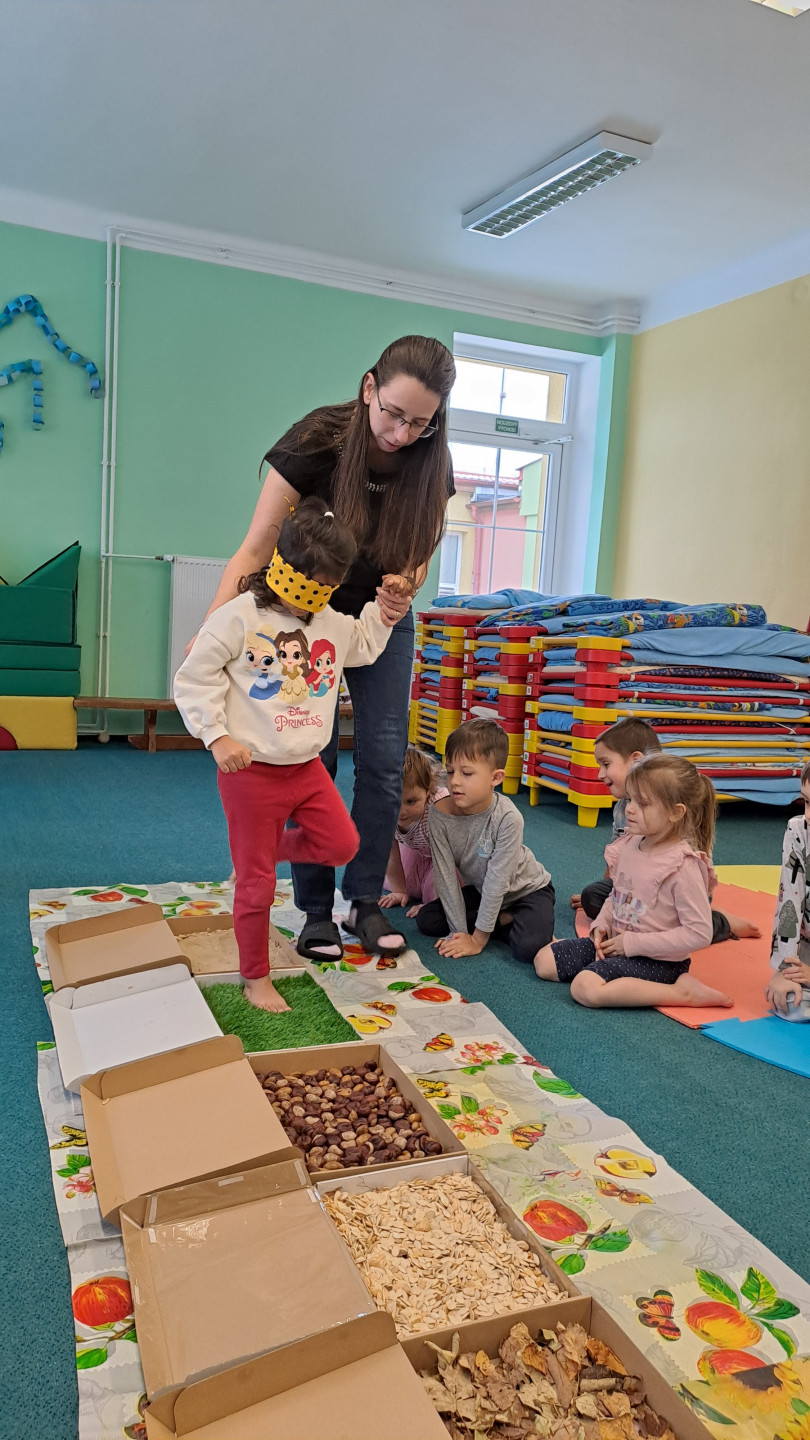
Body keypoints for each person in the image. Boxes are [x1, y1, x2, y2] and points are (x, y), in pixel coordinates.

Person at [189, 335, 456, 961]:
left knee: (385, 759)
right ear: (368, 388)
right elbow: (257, 546)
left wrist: (403, 587)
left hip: (379, 617)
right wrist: (213, 631)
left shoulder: (431, 461)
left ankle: (364, 901)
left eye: (419, 423)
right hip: (304, 609)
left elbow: (418, 553)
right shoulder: (315, 442)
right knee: (311, 753)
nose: (401, 433)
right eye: (393, 413)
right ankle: (315, 911)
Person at [174, 499, 394, 1012]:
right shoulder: (238, 616)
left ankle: (261, 852)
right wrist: (216, 737)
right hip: (249, 774)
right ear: (283, 569)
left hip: (307, 769)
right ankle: (255, 978)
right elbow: (193, 678)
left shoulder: (330, 622)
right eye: (307, 587)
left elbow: (364, 644)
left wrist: (385, 612)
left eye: (326, 589)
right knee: (256, 888)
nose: (311, 602)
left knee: (341, 844)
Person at [536, 754, 734, 1010]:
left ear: (675, 812)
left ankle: (681, 992)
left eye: (643, 803)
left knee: (584, 988)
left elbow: (699, 934)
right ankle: (606, 968)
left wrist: (631, 944)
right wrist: (601, 924)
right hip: (617, 944)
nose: (629, 808)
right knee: (544, 962)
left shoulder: (683, 865)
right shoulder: (631, 843)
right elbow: (617, 894)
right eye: (630, 799)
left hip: (659, 962)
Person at [572, 717, 759, 943]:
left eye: (606, 764)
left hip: (672, 892)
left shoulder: (668, 811)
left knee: (675, 923)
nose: (600, 774)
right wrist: (608, 891)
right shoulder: (624, 807)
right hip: (637, 887)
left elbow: (686, 873)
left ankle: (719, 922)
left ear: (636, 761)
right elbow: (618, 859)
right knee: (592, 896)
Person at [416, 719, 555, 960]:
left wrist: (477, 940)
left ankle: (501, 922)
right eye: (450, 771)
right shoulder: (438, 815)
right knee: (427, 919)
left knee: (528, 947)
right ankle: (503, 920)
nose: (454, 781)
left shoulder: (509, 818)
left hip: (527, 891)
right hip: (483, 891)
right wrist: (459, 933)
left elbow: (497, 882)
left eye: (467, 773)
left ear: (496, 777)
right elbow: (445, 877)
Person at [766, 760, 810, 1021]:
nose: (808, 815)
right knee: (790, 1003)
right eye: (807, 802)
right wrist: (786, 969)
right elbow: (790, 902)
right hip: (806, 946)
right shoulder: (798, 830)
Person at [381, 746, 448, 918]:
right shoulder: (384, 814)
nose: (401, 812)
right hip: (419, 849)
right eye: (393, 801)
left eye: (411, 801)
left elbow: (449, 860)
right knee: (394, 879)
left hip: (450, 858)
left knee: (438, 894)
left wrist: (433, 903)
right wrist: (399, 891)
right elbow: (391, 857)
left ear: (428, 790)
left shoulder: (437, 810)